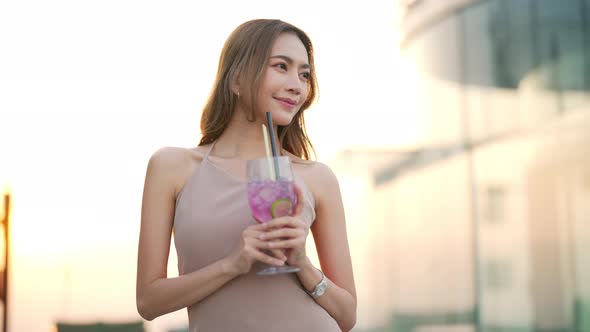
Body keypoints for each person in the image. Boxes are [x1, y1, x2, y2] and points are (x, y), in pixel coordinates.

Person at [136, 18, 356, 332]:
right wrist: (233, 264)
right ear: (237, 79)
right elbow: (148, 301)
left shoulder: (317, 178)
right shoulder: (172, 167)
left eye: (304, 74)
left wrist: (303, 265)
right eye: (282, 66)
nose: (297, 84)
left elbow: (347, 316)